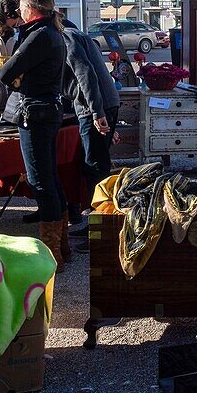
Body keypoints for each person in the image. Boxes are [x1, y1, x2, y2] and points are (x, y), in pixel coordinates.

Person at [0, 0, 68, 267]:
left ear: (32, 10)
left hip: (35, 113)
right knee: (50, 177)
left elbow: (5, 73)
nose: (20, 13)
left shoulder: (39, 35)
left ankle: (53, 256)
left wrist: (18, 78)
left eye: (23, 8)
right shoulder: (53, 33)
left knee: (41, 181)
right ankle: (60, 247)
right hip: (48, 110)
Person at [59, 16, 119, 252]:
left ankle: (102, 229)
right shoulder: (80, 36)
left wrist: (96, 112)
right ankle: (97, 223)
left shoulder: (67, 37)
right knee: (95, 166)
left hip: (94, 107)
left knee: (96, 168)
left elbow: (84, 74)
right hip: (101, 104)